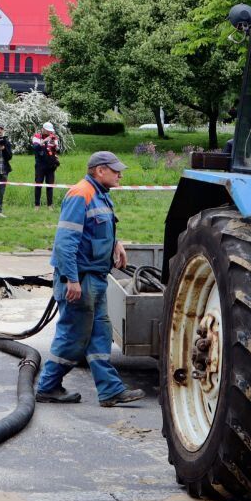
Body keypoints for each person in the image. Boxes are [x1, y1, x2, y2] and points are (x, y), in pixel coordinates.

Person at [35, 151, 145, 408]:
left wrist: (115, 244)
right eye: (115, 170)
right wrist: (70, 279)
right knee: (73, 337)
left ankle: (110, 391)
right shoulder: (80, 194)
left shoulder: (101, 195)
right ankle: (48, 387)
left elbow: (94, 229)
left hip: (95, 280)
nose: (120, 174)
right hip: (80, 281)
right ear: (99, 171)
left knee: (100, 335)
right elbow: (65, 243)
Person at [31, 121, 62, 209]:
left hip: (51, 165)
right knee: (38, 185)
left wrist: (54, 145)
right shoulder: (37, 136)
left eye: (50, 131)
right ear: (43, 129)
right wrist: (44, 141)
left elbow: (57, 149)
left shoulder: (54, 137)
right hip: (40, 165)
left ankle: (50, 205)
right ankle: (37, 205)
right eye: (48, 130)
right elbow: (35, 148)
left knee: (50, 185)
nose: (49, 132)